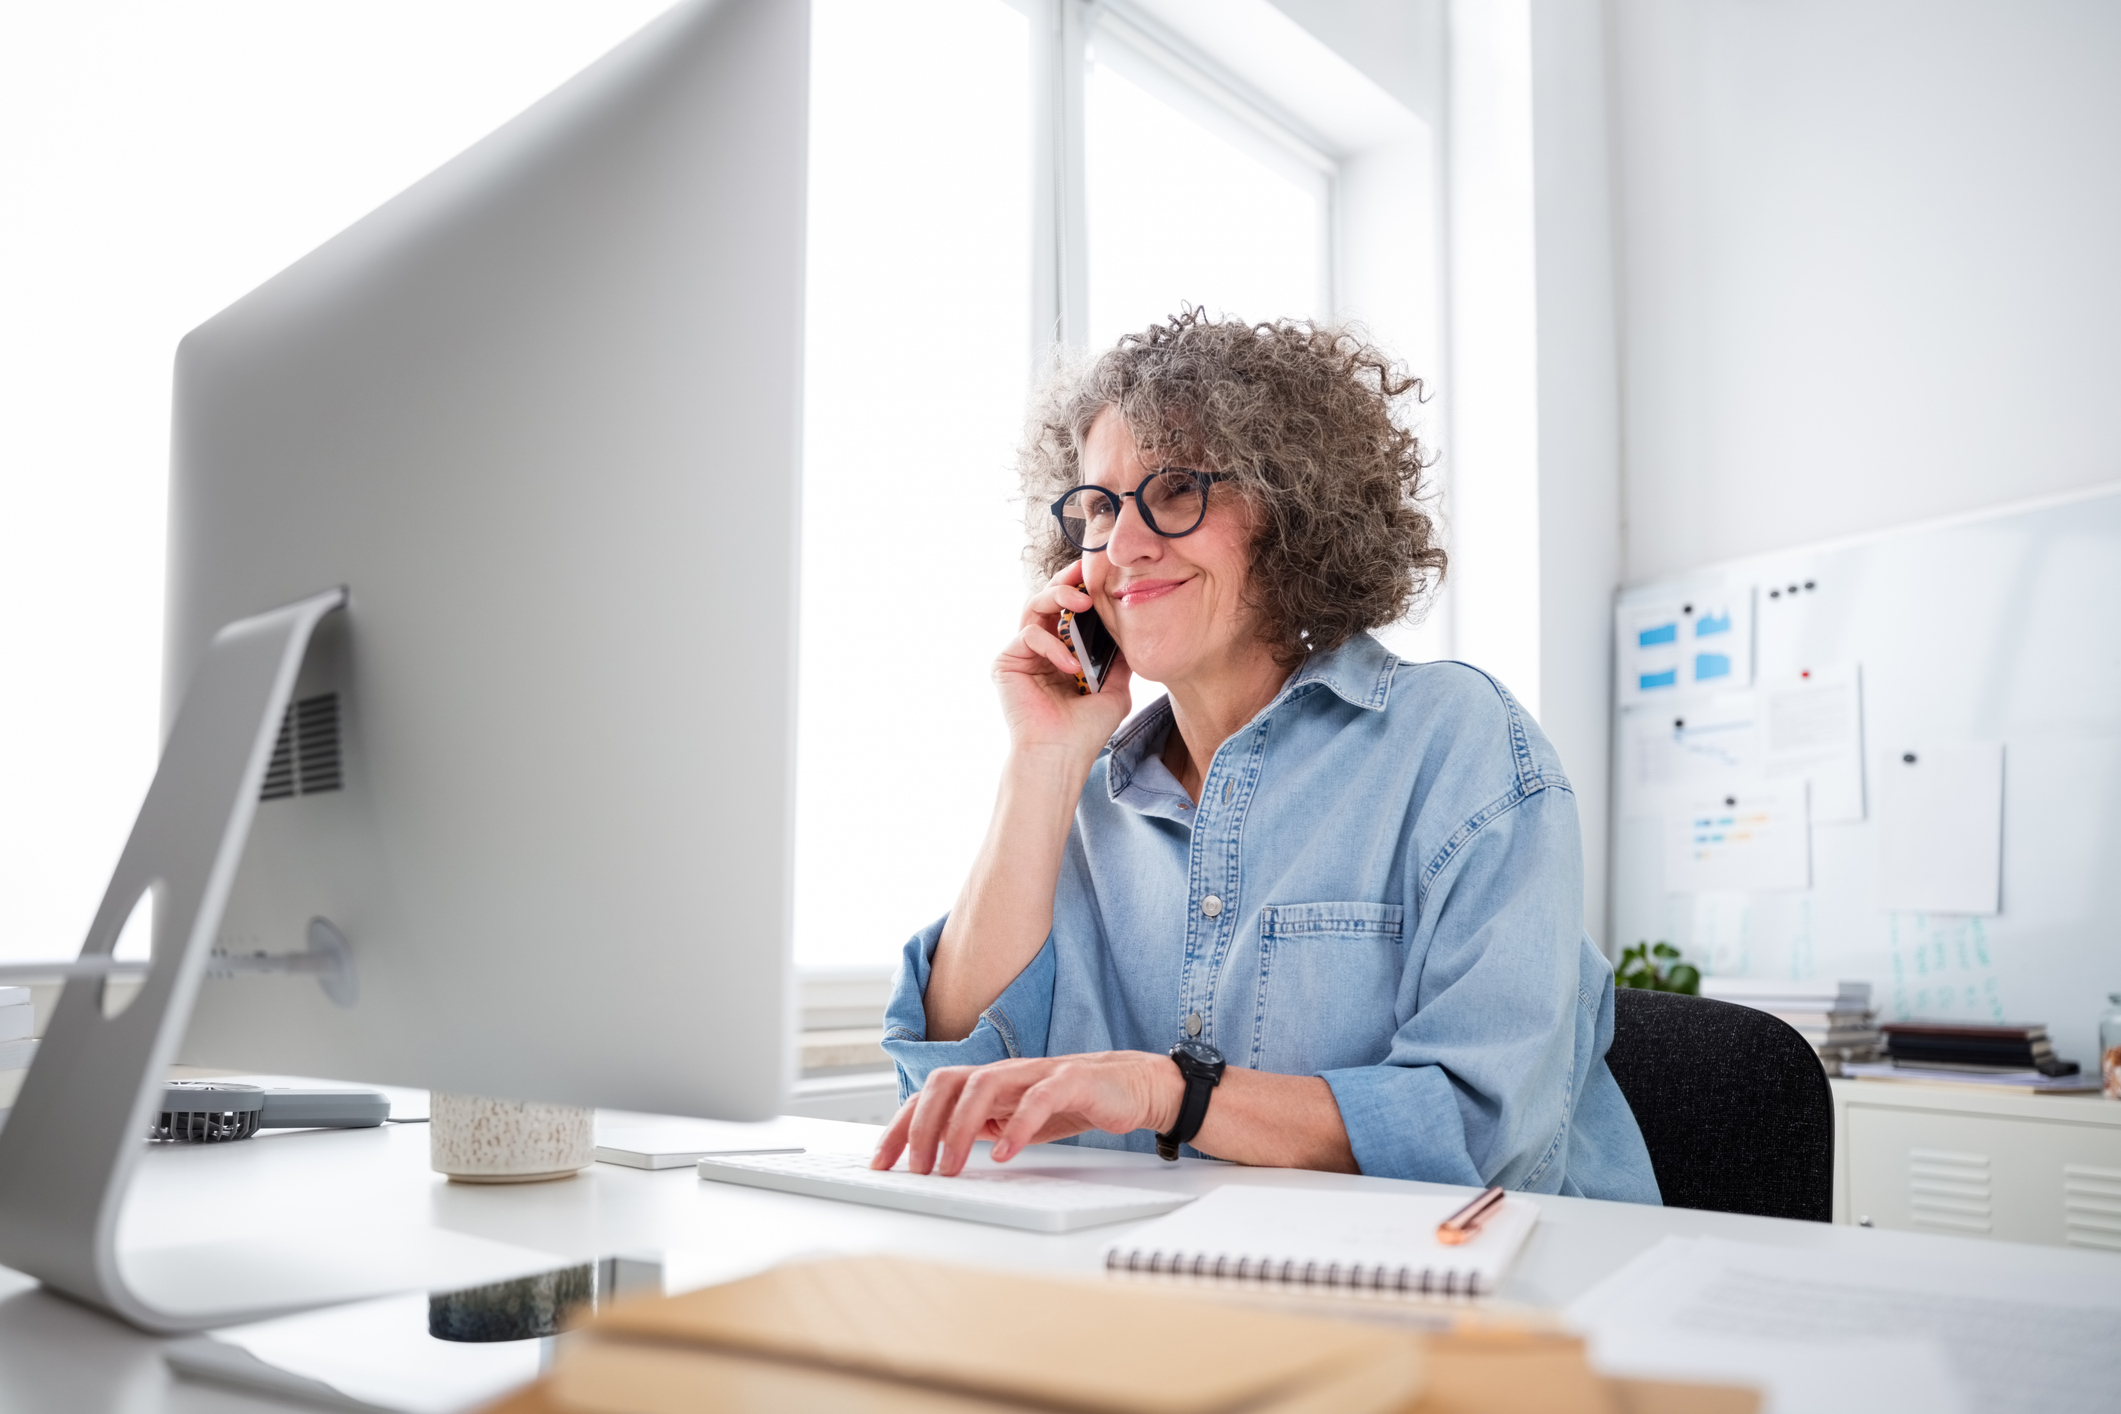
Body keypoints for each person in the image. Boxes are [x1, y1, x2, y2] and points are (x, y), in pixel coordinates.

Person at [872, 311, 1659, 1204]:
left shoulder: (1459, 745)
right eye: (1096, 508)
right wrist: (1040, 759)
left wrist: (1171, 1095)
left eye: (1174, 491)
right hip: (1172, 1298)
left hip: (1473, 1303)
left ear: (1289, 514)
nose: (1122, 545)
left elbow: (1480, 1133)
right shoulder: (1081, 795)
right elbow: (944, 1101)